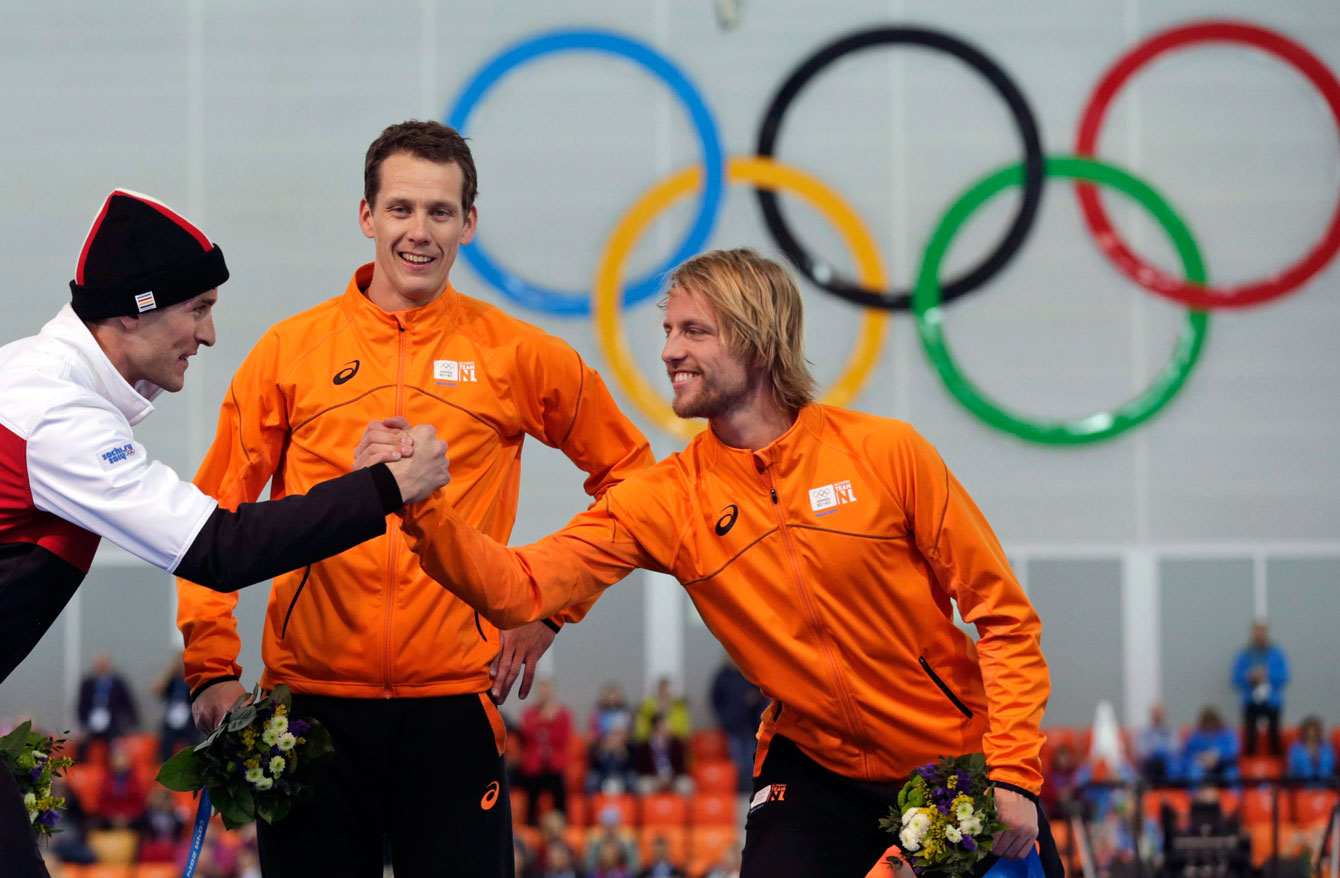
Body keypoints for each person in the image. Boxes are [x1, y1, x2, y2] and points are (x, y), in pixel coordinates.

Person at [377, 248, 1060, 878]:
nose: (670, 351)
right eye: (668, 331)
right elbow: (517, 586)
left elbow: (1003, 618)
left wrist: (1012, 775)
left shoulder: (886, 453)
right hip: (813, 768)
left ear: (757, 340)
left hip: (950, 755)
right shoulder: (669, 499)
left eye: (694, 332)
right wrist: (417, 506)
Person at [175, 120, 653, 877]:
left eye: (439, 212)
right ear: (366, 217)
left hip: (453, 707)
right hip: (310, 710)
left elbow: (634, 481)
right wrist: (211, 666)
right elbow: (206, 523)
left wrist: (546, 604)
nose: (418, 232)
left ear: (469, 222)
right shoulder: (290, 353)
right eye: (400, 209)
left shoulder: (518, 354)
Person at [0, 188, 451, 878]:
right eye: (198, 310)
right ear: (134, 310)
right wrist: (387, 489)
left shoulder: (36, 381)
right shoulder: (56, 413)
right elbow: (220, 549)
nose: (209, 336)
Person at [517, 677, 574, 825]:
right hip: (534, 766)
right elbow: (527, 733)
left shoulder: (562, 714)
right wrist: (545, 721)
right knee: (531, 792)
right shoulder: (529, 713)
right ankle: (530, 824)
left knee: (560, 790)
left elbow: (563, 738)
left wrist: (548, 723)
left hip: (554, 765)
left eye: (546, 688)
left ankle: (563, 823)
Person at [1232, 619, 1289, 756]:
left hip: (1272, 701)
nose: (1259, 634)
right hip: (1250, 700)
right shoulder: (1244, 654)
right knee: (1250, 736)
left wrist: (1266, 675)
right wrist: (1249, 677)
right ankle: (1249, 767)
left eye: (1262, 631)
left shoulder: (1277, 653)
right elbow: (1235, 678)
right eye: (1256, 631)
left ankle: (1277, 767)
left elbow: (1284, 676)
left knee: (1274, 735)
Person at [710, 655, 766, 794]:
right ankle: (740, 790)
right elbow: (714, 699)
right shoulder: (721, 677)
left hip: (749, 726)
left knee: (751, 760)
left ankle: (751, 789)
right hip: (732, 726)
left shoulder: (747, 673)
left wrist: (754, 699)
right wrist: (724, 716)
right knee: (737, 762)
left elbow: (761, 693)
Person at [75, 652, 138, 759]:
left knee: (117, 746)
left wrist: (131, 724)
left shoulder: (118, 683)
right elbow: (81, 706)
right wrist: (81, 724)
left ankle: (113, 773)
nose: (101, 667)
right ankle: (80, 771)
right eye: (99, 664)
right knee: (81, 745)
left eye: (103, 664)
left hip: (112, 725)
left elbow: (128, 704)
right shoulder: (87, 683)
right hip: (91, 723)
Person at [153, 650, 199, 763]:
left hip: (189, 722)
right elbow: (156, 689)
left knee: (195, 743)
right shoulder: (172, 680)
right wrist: (170, 671)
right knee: (164, 743)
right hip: (171, 722)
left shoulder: (193, 680)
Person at [1182, 706, 1239, 783]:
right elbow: (1188, 753)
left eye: (1212, 722)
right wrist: (1201, 757)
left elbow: (1233, 752)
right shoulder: (1195, 734)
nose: (1210, 725)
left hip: (1224, 765)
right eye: (1207, 722)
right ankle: (1194, 794)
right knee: (1194, 773)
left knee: (1232, 774)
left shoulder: (1228, 733)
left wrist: (1218, 756)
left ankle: (1233, 795)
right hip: (1202, 765)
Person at [1134, 701, 1181, 784]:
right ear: (1151, 714)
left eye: (1160, 713)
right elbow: (1140, 751)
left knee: (1175, 767)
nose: (1158, 715)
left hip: (1167, 764)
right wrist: (1154, 752)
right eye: (1155, 713)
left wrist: (1164, 752)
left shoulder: (1170, 731)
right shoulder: (1144, 732)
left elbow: (1176, 748)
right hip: (1150, 764)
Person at [1286, 715, 1336, 782]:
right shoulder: (1295, 749)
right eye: (1309, 731)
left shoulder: (1327, 749)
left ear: (1319, 732)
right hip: (1301, 786)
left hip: (1325, 786)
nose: (1312, 734)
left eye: (1315, 731)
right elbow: (1292, 770)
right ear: (1304, 732)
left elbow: (1331, 769)